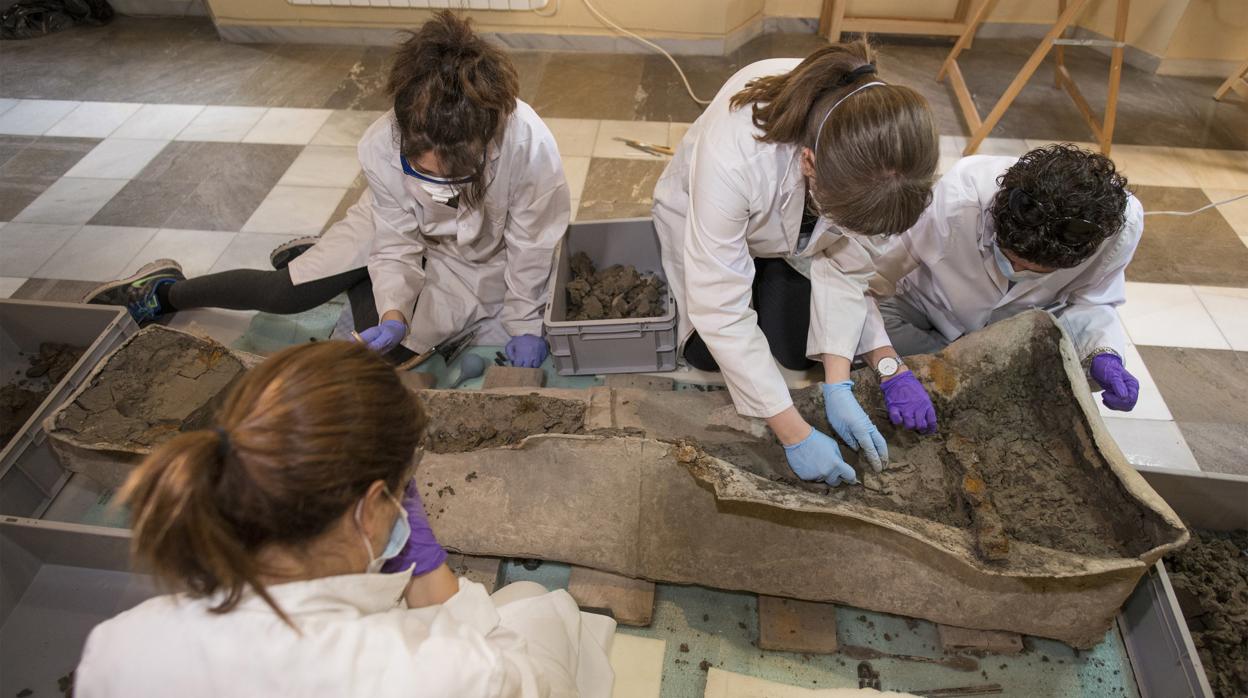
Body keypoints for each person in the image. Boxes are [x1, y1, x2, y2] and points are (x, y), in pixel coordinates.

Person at [74, 341, 616, 697]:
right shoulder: (439, 675)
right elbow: (528, 683)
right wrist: (428, 571)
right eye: (403, 491)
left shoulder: (118, 643)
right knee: (542, 609)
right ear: (370, 506)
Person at [82, 11, 566, 369]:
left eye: (457, 174)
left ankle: (342, 269)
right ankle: (165, 291)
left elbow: (532, 245)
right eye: (427, 172)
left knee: (389, 358)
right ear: (405, 134)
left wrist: (524, 323)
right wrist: (394, 308)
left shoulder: (528, 146)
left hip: (479, 261)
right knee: (284, 294)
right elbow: (395, 240)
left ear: (487, 136)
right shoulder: (381, 145)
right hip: (392, 231)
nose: (443, 188)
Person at [652, 41, 939, 488]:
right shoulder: (736, 155)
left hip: (796, 237)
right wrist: (793, 432)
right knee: (706, 355)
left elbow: (849, 265)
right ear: (809, 162)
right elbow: (720, 307)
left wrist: (839, 382)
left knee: (791, 353)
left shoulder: (895, 158)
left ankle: (775, 278)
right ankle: (766, 276)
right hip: (717, 222)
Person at [857, 144, 1142, 416]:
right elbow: (868, 284)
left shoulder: (1121, 228)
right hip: (926, 303)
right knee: (858, 322)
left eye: (1032, 271)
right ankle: (972, 372)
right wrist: (890, 370)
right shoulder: (960, 197)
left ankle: (966, 372)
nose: (1015, 270)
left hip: (1017, 326)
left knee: (1069, 376)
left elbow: (1093, 301)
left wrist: (1104, 353)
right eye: (1009, 259)